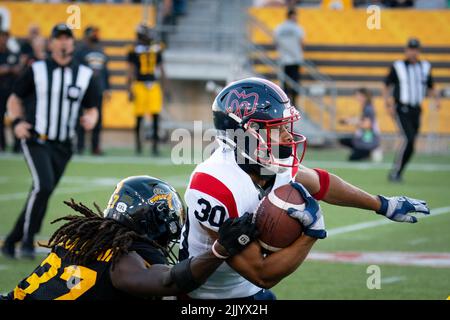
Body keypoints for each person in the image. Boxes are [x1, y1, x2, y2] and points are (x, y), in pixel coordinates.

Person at [179, 77, 430, 300]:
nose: (289, 136)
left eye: (286, 126)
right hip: (210, 297)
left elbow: (322, 183)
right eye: (277, 128)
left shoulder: (265, 158)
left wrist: (382, 204)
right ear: (244, 134)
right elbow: (262, 274)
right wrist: (312, 233)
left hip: (250, 291)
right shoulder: (213, 185)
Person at [0, 176, 258, 300]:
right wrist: (220, 250)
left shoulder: (84, 236)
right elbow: (169, 282)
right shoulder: (122, 259)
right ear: (155, 223)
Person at [1, 23, 99, 260]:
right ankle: (25, 242)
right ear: (51, 42)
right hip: (37, 139)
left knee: (43, 191)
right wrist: (16, 123)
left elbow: (93, 106)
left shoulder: (84, 74)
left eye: (67, 38)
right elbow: (15, 97)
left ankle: (11, 240)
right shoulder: (37, 69)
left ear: (72, 43)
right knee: (43, 186)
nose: (63, 42)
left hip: (64, 145)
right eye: (59, 38)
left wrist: (91, 119)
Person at [382, 38, 440, 182]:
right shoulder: (398, 66)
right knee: (408, 138)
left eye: (415, 49)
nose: (413, 52)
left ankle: (398, 172)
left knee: (412, 143)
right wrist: (388, 104)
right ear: (406, 50)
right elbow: (386, 85)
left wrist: (436, 100)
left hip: (416, 109)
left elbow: (431, 86)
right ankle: (395, 172)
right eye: (410, 49)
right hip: (401, 108)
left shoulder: (425, 66)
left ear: (418, 51)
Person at [127, 24, 168, 156]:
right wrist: (129, 89)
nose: (149, 36)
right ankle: (138, 146)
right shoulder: (134, 49)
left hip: (153, 85)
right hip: (139, 85)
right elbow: (131, 71)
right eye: (147, 33)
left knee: (155, 116)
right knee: (139, 117)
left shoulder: (155, 48)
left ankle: (154, 147)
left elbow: (161, 70)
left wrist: (164, 88)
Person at [75, 25, 111, 156]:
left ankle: (95, 147)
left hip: (98, 90)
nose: (95, 37)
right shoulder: (80, 52)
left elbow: (105, 72)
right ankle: (79, 146)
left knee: (98, 120)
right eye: (93, 34)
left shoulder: (102, 52)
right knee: (81, 118)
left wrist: (107, 88)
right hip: (83, 89)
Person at [338, 87, 380, 161]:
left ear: (364, 97)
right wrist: (349, 120)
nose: (356, 97)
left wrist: (352, 122)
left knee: (352, 158)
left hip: (368, 139)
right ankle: (366, 151)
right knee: (343, 140)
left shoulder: (368, 108)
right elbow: (361, 120)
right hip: (365, 137)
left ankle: (370, 150)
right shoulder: (366, 107)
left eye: (358, 95)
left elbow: (367, 125)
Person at [273, 8, 305, 105]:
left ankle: (285, 104)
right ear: (292, 16)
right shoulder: (297, 28)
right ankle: (294, 104)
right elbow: (302, 43)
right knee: (295, 82)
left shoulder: (279, 28)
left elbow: (276, 42)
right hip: (295, 59)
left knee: (285, 83)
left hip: (284, 59)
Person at [0, 29, 21, 153]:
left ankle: (17, 146)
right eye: (2, 37)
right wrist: (8, 69)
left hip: (11, 91)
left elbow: (18, 69)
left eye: (5, 37)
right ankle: (1, 145)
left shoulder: (12, 53)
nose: (3, 40)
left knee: (15, 117)